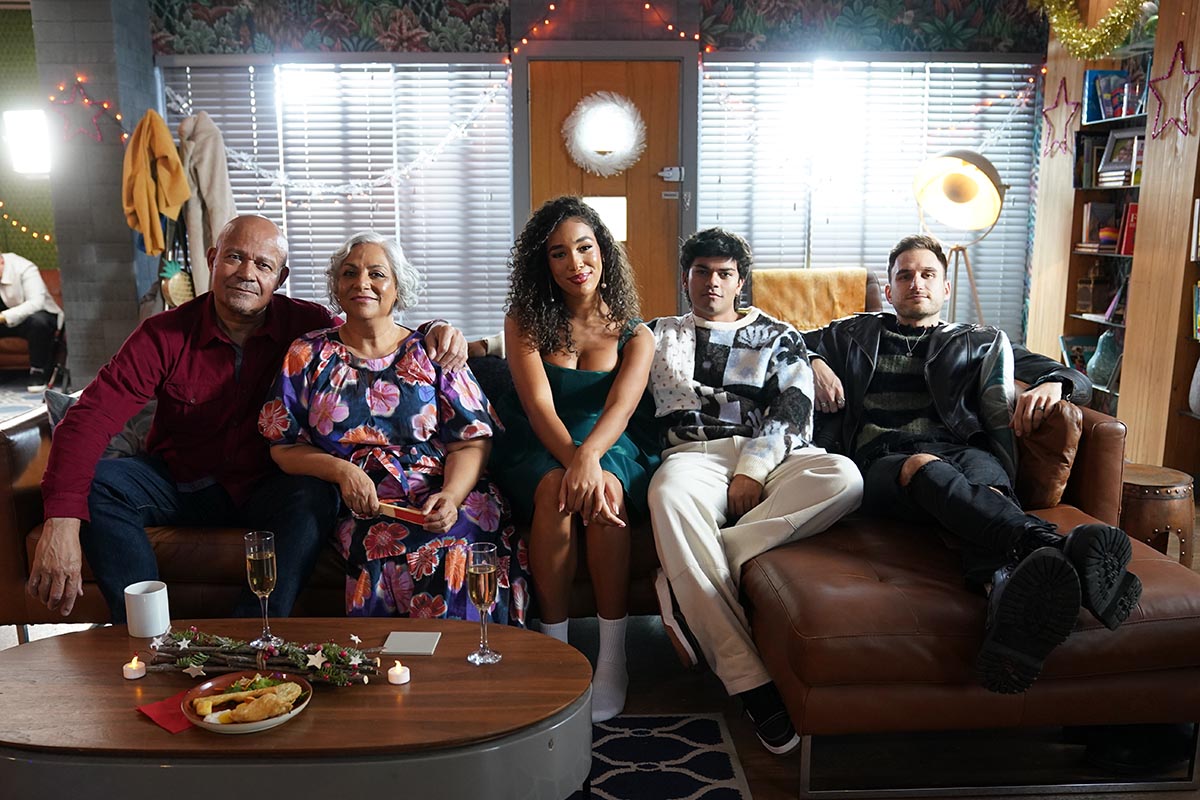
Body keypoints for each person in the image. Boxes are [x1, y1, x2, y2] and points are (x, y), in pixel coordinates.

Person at [26, 215, 466, 621]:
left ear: (280, 278)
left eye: (263, 264)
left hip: (269, 487)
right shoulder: (163, 334)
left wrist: (436, 331)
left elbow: (373, 333)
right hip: (181, 481)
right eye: (234, 257)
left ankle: (252, 633)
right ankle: (147, 631)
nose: (246, 273)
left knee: (316, 494)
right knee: (101, 484)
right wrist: (60, 519)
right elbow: (90, 417)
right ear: (212, 260)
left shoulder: (308, 328)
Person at [806, 233, 1139, 694]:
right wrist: (815, 360)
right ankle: (1058, 545)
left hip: (965, 452)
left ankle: (1007, 603)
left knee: (990, 494)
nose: (916, 283)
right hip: (885, 461)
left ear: (945, 288)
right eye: (905, 275)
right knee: (924, 465)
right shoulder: (850, 334)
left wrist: (1054, 384)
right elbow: (781, 342)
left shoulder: (978, 341)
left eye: (928, 275)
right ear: (889, 289)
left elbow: (1075, 377)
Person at [646, 228, 863, 755]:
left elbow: (794, 406)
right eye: (702, 272)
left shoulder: (777, 335)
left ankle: (688, 567)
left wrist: (754, 469)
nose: (712, 283)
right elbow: (581, 339)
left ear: (740, 281)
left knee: (844, 478)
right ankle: (749, 682)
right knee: (667, 497)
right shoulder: (656, 334)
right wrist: (480, 344)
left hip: (771, 453)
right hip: (693, 455)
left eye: (724, 274)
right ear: (685, 278)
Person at [259, 231, 527, 624]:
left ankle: (467, 656)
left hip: (444, 487)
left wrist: (451, 496)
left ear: (398, 288)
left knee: (459, 540)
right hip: (366, 500)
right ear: (336, 287)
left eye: (377, 274)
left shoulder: (432, 351)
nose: (362, 282)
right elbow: (282, 445)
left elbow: (471, 441)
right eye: (349, 273)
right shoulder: (307, 354)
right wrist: (343, 472)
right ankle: (391, 659)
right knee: (380, 543)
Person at [490, 196, 659, 723]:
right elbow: (539, 408)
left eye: (584, 248)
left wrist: (589, 459)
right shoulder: (523, 322)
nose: (575, 263)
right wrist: (574, 461)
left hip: (610, 441)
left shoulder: (637, 333)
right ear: (544, 263)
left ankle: (612, 657)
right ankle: (555, 649)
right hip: (538, 442)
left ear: (603, 251)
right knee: (553, 491)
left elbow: (621, 409)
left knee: (606, 489)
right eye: (558, 253)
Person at [0, 251, 64, 392]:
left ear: (1, 262)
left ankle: (37, 372)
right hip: (8, 321)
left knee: (38, 322)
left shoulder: (25, 268)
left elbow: (36, 303)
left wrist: (3, 316)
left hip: (39, 316)